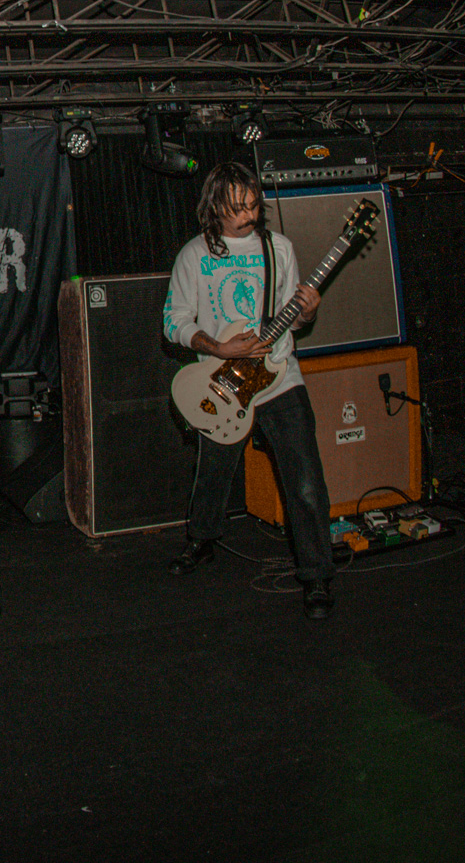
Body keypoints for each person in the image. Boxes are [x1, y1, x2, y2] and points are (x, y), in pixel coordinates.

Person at [163, 161, 337, 618]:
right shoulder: (194, 255)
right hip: (222, 381)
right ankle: (202, 539)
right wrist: (218, 346)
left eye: (253, 204)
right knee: (213, 472)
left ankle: (317, 575)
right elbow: (173, 322)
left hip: (280, 377)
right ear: (213, 207)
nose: (248, 215)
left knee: (305, 478)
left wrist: (306, 312)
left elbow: (292, 319)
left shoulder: (279, 248)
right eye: (236, 206)